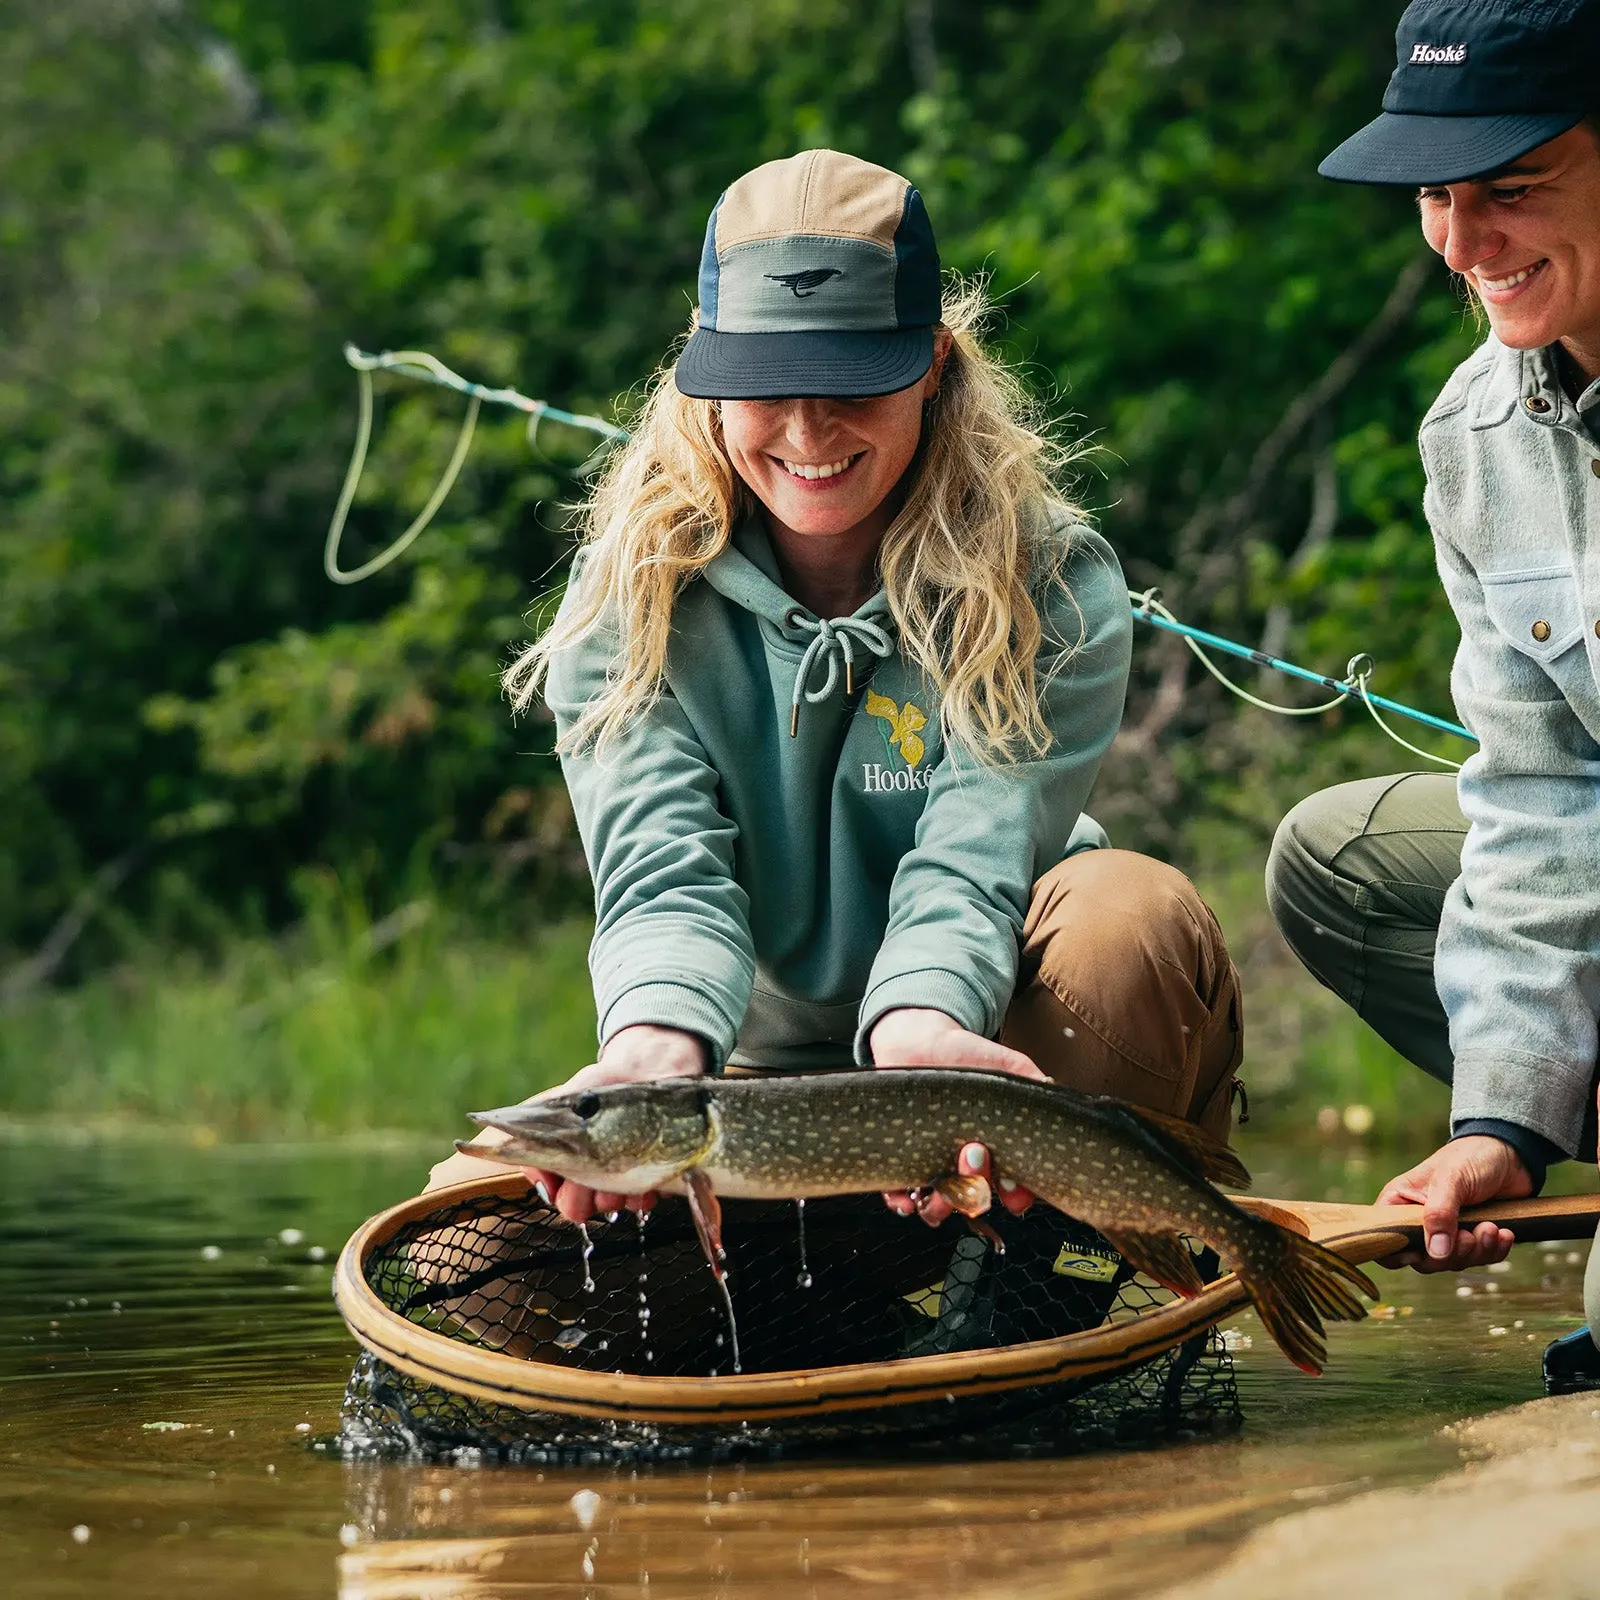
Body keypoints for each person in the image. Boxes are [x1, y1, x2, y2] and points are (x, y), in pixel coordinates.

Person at [428, 148, 1243, 1224]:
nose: (809, 434)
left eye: (853, 383)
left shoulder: (1050, 577)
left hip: (987, 1051)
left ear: (933, 366)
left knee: (1127, 916)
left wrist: (921, 1032)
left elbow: (972, 861)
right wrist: (650, 1051)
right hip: (742, 1093)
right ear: (704, 376)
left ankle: (1037, 1276)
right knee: (468, 1244)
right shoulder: (626, 592)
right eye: (765, 387)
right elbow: (664, 879)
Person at [1265, 0, 1600, 1374]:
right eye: (1433, 197)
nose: (1462, 247)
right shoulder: (1472, 432)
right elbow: (1542, 791)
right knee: (1333, 857)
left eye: (1510, 188)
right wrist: (1501, 1119)